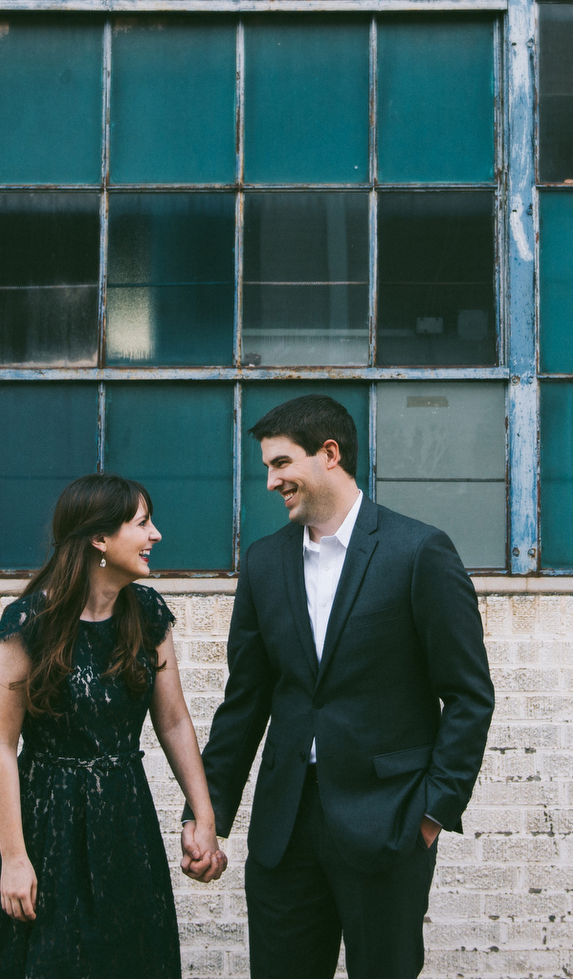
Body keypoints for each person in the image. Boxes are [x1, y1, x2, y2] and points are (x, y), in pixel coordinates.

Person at [194, 394, 495, 979]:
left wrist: (432, 813)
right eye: (267, 468)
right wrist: (208, 813)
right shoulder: (262, 563)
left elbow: (468, 694)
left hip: (388, 822)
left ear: (328, 454)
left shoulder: (418, 552)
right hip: (285, 827)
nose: (271, 482)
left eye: (281, 464)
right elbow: (245, 703)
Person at [0, 474, 227, 979]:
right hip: (46, 827)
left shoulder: (147, 615)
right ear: (99, 538)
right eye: (142, 524)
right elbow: (0, 747)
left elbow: (175, 722)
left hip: (126, 824)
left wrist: (203, 817)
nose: (155, 535)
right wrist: (14, 858)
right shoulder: (29, 623)